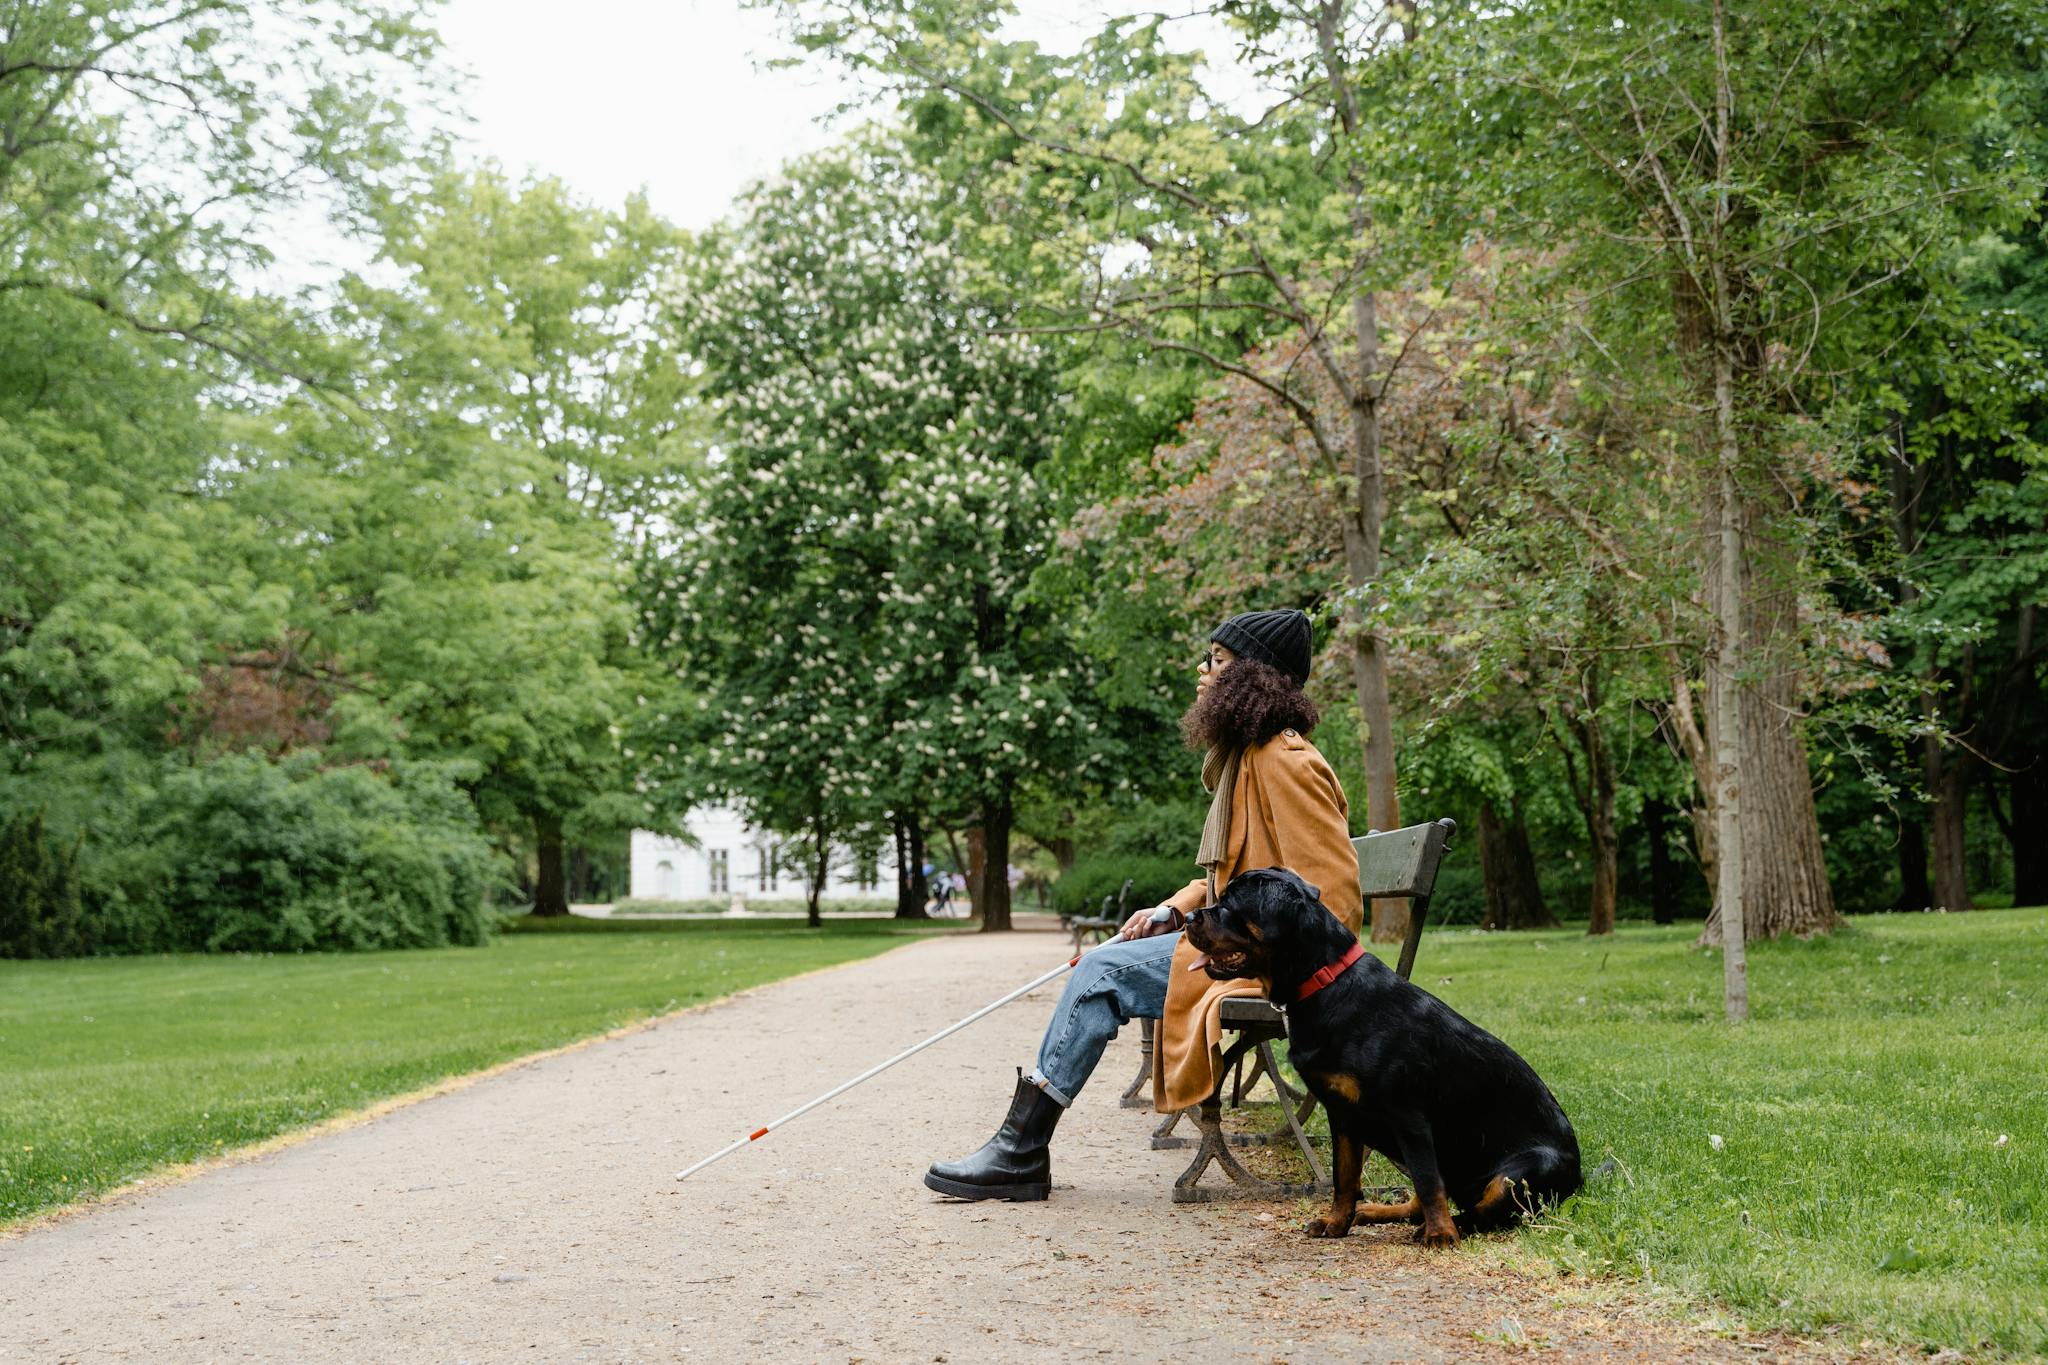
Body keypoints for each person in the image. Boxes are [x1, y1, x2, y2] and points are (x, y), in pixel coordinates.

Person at [924, 608, 1363, 1201]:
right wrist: (1171, 910)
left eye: (1218, 660)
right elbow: (1237, 877)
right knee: (1107, 960)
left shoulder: (1283, 762)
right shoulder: (1250, 760)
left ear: (1253, 679)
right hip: (1246, 955)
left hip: (1276, 974)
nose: (1202, 670)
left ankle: (1020, 1151)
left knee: (1101, 972)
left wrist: (1248, 957)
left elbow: (1331, 902)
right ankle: (1020, 1149)